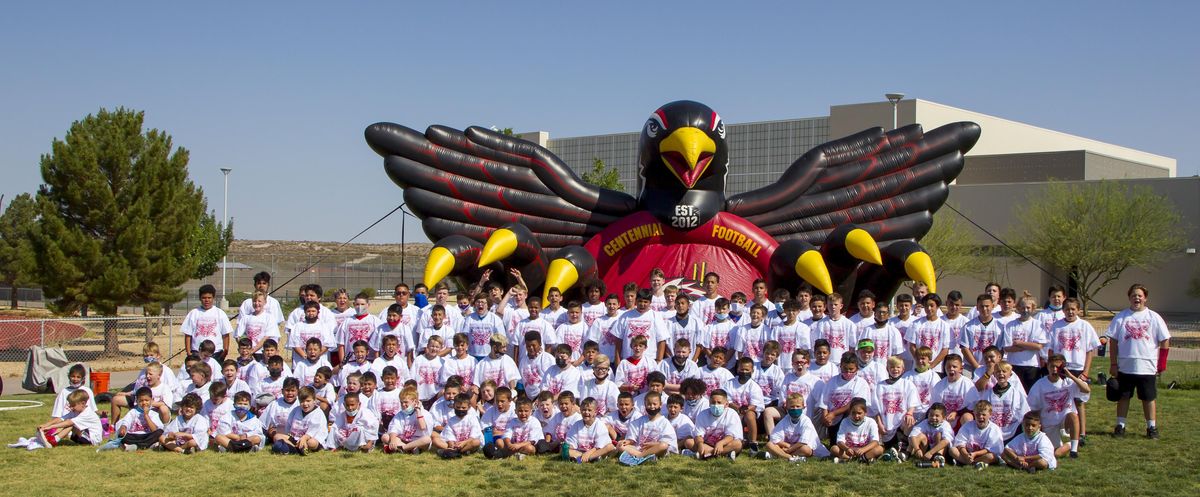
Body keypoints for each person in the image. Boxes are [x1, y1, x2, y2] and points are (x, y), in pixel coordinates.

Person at [1106, 284, 1170, 439]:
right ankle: (1120, 426)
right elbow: (1113, 341)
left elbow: (1165, 340)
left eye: (1140, 295)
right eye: (1134, 295)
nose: (1137, 298)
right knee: (1123, 397)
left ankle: (1151, 428)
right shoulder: (1121, 317)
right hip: (1125, 366)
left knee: (1148, 398)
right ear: (1129, 297)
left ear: (1145, 298)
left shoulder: (1154, 317)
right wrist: (1113, 364)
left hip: (1147, 367)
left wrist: (1161, 363)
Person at [1047, 297, 1100, 444]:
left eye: (1073, 309)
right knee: (1060, 399)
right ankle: (1063, 429)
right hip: (1061, 368)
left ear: (1078, 310)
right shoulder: (1056, 326)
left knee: (1079, 402)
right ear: (1063, 310)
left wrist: (1086, 372)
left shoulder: (1085, 326)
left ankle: (1082, 433)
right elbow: (1050, 349)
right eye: (1067, 309)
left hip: (1077, 368)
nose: (1070, 312)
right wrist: (1052, 368)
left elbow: (1090, 350)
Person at [1028, 353, 1088, 458]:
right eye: (1052, 366)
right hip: (1049, 422)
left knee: (1073, 415)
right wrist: (1039, 427)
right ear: (1047, 367)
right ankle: (1070, 445)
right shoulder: (1039, 385)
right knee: (1054, 454)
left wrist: (1071, 376)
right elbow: (1034, 409)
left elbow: (1086, 390)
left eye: (1058, 367)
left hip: (1065, 419)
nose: (1055, 370)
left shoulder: (1068, 381)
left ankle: (1074, 450)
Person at [817, 352, 872, 445]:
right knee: (835, 445)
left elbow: (855, 403)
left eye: (851, 369)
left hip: (850, 417)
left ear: (857, 369)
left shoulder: (861, 383)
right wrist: (825, 416)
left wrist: (834, 413)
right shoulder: (832, 381)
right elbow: (824, 401)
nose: (848, 372)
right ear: (840, 367)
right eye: (845, 369)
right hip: (833, 420)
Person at [968, 361, 1029, 442]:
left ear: (1010, 374)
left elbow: (1024, 413)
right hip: (993, 433)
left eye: (1004, 371)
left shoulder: (1017, 393)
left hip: (1013, 433)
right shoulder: (987, 394)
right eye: (998, 372)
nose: (1001, 373)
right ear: (994, 374)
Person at [874, 356, 918, 461]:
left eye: (898, 367)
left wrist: (909, 414)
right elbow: (875, 409)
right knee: (889, 447)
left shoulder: (907, 384)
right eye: (892, 367)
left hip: (901, 423)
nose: (895, 369)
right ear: (887, 368)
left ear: (903, 369)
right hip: (886, 424)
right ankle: (890, 450)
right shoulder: (879, 386)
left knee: (910, 420)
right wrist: (879, 424)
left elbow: (913, 404)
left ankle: (904, 449)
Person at [763, 392, 828, 462]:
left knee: (806, 450)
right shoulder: (785, 420)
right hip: (790, 446)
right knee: (769, 444)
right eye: (792, 406)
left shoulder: (806, 421)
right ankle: (789, 458)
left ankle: (780, 455)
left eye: (798, 406)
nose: (795, 409)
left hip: (805, 447)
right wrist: (788, 445)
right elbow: (774, 438)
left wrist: (789, 449)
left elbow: (803, 442)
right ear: (786, 407)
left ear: (803, 407)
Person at [616, 392, 676, 465]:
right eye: (649, 404)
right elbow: (632, 439)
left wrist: (653, 444)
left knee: (663, 445)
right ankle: (645, 457)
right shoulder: (638, 421)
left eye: (654, 404)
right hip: (639, 449)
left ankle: (638, 457)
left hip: (655, 449)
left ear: (660, 404)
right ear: (645, 405)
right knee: (621, 446)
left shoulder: (665, 422)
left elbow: (668, 443)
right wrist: (628, 442)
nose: (652, 406)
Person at [1004, 293, 1046, 393]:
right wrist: (1029, 345)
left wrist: (1019, 343)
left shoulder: (1037, 324)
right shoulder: (1010, 325)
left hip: (1032, 365)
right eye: (1022, 307)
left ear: (1033, 308)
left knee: (1030, 392)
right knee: (1014, 392)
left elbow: (1039, 346)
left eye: (1028, 307)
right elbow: (1007, 348)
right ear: (1018, 308)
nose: (1025, 310)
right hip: (1014, 364)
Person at [182, 284, 233, 358]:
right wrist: (189, 352)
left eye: (209, 298)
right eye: (204, 298)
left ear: (213, 298)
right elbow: (188, 334)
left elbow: (225, 334)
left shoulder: (220, 313)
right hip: (197, 353)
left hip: (216, 353)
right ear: (200, 298)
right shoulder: (193, 313)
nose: (207, 300)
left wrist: (225, 352)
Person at [724, 357, 765, 450]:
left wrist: (745, 409)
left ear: (752, 370)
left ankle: (753, 443)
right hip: (733, 410)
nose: (744, 372)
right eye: (742, 369)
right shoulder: (729, 383)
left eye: (747, 370)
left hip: (748, 412)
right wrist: (737, 408)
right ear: (737, 369)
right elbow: (727, 400)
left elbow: (755, 405)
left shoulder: (754, 386)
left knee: (750, 415)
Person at [272, 386, 328, 455]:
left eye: (308, 401)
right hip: (295, 438)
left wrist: (304, 438)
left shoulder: (318, 413)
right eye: (302, 401)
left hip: (310, 438)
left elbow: (314, 430)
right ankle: (296, 449)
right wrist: (288, 435)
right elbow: (288, 425)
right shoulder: (296, 410)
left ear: (314, 400)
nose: (305, 404)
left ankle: (295, 448)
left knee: (312, 443)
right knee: (277, 436)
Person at [950, 400, 1003, 469]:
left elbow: (990, 449)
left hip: (983, 455)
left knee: (991, 456)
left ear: (990, 414)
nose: (980, 417)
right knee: (952, 450)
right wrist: (966, 454)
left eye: (984, 414)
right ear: (974, 413)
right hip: (968, 454)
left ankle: (967, 462)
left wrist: (975, 454)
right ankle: (973, 463)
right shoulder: (967, 426)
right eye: (978, 414)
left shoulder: (994, 429)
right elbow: (960, 443)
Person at [692, 389, 744, 459]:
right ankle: (723, 455)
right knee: (690, 442)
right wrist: (700, 444)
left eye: (719, 402)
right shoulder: (702, 414)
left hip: (724, 445)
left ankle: (708, 455)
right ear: (709, 403)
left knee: (737, 444)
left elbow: (731, 436)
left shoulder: (732, 414)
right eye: (713, 402)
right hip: (706, 445)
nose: (716, 405)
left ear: (726, 404)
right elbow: (698, 434)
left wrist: (721, 443)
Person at [906, 294, 953, 369]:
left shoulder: (944, 325)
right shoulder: (915, 323)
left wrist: (932, 365)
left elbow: (945, 349)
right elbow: (912, 345)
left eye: (932, 305)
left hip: (937, 368)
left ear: (937, 306)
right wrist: (919, 360)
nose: (929, 308)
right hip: (918, 367)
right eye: (926, 306)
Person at [381, 386, 432, 454]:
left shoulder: (425, 413)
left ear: (415, 401)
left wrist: (418, 411)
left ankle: (403, 448)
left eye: (406, 402)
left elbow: (423, 427)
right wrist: (393, 440)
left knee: (427, 439)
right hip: (404, 440)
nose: (403, 405)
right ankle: (409, 449)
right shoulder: (400, 414)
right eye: (401, 402)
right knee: (385, 437)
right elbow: (394, 428)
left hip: (418, 441)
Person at [830, 397, 882, 463]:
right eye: (853, 413)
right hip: (849, 451)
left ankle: (858, 458)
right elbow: (839, 441)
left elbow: (875, 441)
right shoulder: (845, 421)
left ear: (865, 413)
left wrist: (863, 450)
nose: (856, 416)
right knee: (834, 449)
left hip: (865, 450)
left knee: (879, 449)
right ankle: (858, 459)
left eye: (859, 413)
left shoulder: (871, 422)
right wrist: (847, 449)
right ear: (850, 412)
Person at [432, 393, 483, 458]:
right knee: (436, 441)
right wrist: (451, 443)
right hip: (454, 444)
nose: (461, 409)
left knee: (476, 442)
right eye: (458, 407)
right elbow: (448, 434)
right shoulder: (451, 420)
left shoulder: (472, 418)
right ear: (454, 406)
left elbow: (474, 435)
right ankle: (457, 451)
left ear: (469, 407)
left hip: (467, 443)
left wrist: (464, 443)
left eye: (463, 407)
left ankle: (454, 452)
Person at [566, 397, 616, 463]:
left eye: (589, 410)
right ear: (580, 411)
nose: (586, 412)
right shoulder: (576, 425)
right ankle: (587, 458)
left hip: (596, 451)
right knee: (565, 450)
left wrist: (588, 453)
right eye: (584, 410)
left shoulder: (600, 425)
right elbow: (571, 442)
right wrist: (568, 446)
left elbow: (599, 446)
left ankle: (588, 458)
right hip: (581, 451)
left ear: (595, 412)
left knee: (610, 447)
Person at [960, 293, 1003, 370]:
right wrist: (976, 366)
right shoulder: (968, 326)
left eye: (987, 306)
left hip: (993, 367)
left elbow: (1000, 350)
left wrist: (993, 366)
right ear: (977, 307)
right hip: (970, 367)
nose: (984, 309)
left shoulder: (1000, 327)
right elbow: (964, 348)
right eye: (981, 306)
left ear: (992, 306)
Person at [810, 293, 856, 362]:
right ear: (827, 306)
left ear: (841, 306)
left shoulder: (849, 324)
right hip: (825, 362)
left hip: (843, 361)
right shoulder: (820, 324)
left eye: (835, 304)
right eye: (830, 305)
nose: (833, 307)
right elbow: (816, 344)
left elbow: (853, 345)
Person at [930, 354, 973, 428]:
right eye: (948, 366)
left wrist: (957, 413)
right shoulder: (939, 385)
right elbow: (935, 407)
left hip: (960, 419)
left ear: (961, 369)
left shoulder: (967, 383)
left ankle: (967, 437)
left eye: (954, 367)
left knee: (968, 417)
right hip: (944, 420)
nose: (951, 369)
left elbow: (973, 406)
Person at [337, 292, 382, 360]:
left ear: (368, 305)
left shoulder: (375, 321)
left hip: (370, 360)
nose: (360, 307)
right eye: (357, 304)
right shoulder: (347, 321)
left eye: (362, 304)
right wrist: (342, 362)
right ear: (354, 304)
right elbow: (341, 344)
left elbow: (379, 344)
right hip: (351, 361)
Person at [236, 290, 281, 355]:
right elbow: (237, 335)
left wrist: (253, 350)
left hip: (262, 353)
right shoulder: (246, 318)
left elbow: (266, 337)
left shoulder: (269, 318)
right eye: (254, 301)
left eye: (259, 301)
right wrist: (245, 349)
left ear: (265, 302)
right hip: (248, 354)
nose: (257, 303)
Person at [412, 335, 446, 407]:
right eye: (432, 346)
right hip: (420, 395)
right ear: (427, 346)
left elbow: (444, 381)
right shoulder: (419, 359)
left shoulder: (442, 362)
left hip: (435, 395)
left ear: (441, 348)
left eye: (437, 347)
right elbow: (412, 377)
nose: (434, 349)